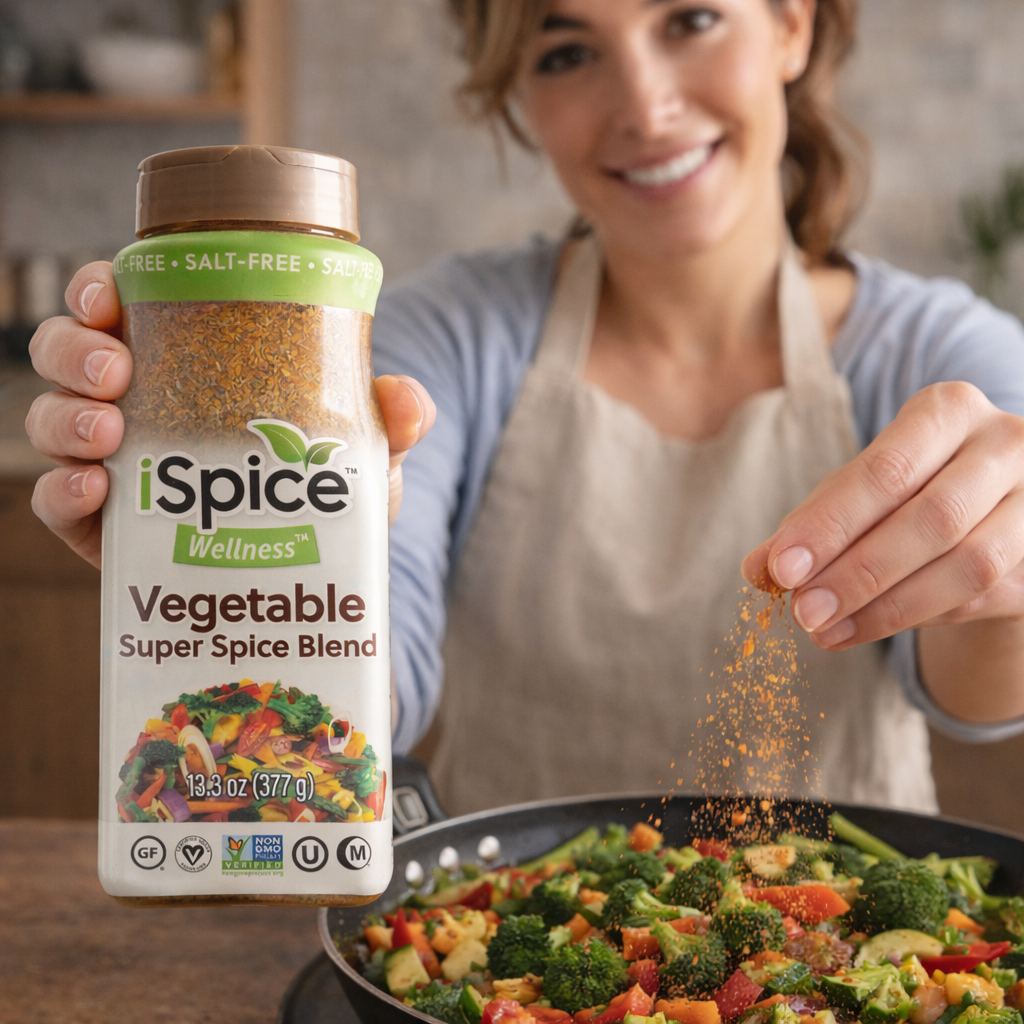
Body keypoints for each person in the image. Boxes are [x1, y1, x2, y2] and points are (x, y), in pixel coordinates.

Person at [26, 0, 1024, 818]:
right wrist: (235, 598)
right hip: (489, 965)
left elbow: (977, 701)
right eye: (568, 50)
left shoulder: (946, 355)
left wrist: (1001, 585)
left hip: (831, 959)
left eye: (691, 19)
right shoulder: (439, 340)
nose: (644, 103)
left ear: (791, 26)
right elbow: (378, 692)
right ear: (518, 94)